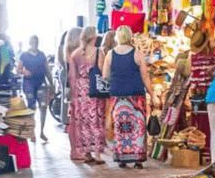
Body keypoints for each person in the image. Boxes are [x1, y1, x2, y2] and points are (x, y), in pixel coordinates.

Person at [102, 25, 153, 169]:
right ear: (130, 36)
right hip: (136, 97)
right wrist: (152, 94)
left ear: (118, 37)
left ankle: (122, 159)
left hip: (117, 97)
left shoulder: (110, 54)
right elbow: (145, 76)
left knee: (121, 127)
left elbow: (105, 76)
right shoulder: (137, 53)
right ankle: (137, 160)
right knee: (138, 126)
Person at [68, 26, 107, 164]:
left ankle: (87, 153)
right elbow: (103, 72)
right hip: (94, 89)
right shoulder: (98, 52)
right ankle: (97, 154)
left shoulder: (75, 54)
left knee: (84, 122)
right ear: (93, 38)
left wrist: (74, 95)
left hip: (80, 90)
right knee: (96, 120)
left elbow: (71, 77)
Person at [18, 35, 54, 142]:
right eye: (33, 42)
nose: (35, 44)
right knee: (32, 108)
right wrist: (23, 71)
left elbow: (47, 70)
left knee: (43, 106)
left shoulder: (42, 55)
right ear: (30, 43)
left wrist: (51, 84)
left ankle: (42, 132)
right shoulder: (24, 55)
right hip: (29, 83)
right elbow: (19, 68)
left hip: (41, 82)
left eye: (37, 42)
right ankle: (32, 132)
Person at [58, 26, 82, 127]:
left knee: (67, 100)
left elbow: (61, 62)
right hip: (73, 75)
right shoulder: (78, 49)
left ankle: (67, 122)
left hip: (65, 74)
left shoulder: (65, 48)